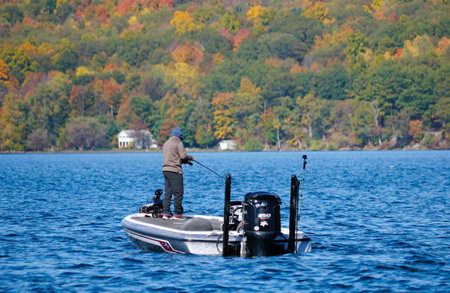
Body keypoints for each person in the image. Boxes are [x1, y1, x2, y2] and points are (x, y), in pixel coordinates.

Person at [162, 127, 194, 219]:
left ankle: (166, 213)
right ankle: (177, 214)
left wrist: (186, 162)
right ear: (179, 136)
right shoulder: (178, 143)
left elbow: (174, 157)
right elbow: (183, 156)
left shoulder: (166, 143)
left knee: (168, 192)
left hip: (165, 170)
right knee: (178, 193)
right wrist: (190, 158)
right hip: (175, 171)